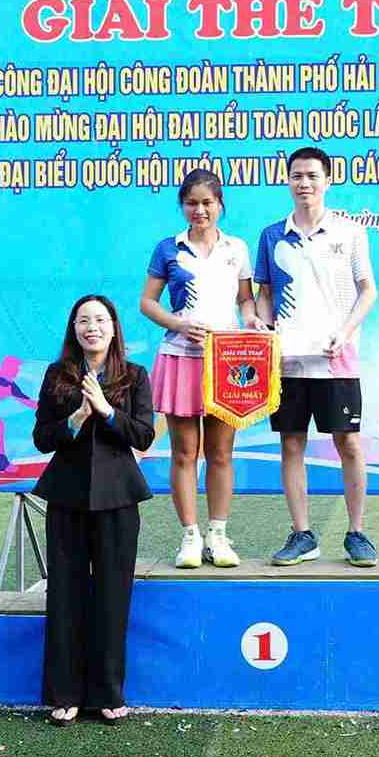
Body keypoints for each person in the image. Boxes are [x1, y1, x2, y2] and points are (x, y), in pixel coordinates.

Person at [31, 295, 155, 726]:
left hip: (118, 498)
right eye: (83, 320)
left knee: (112, 596)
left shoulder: (134, 376)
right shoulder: (57, 375)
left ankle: (107, 692)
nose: (92, 327)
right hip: (67, 496)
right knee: (65, 594)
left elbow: (143, 435)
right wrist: (76, 418)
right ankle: (64, 693)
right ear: (74, 329)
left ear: (114, 328)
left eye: (100, 320)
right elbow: (42, 439)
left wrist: (105, 411)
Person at [254, 146, 379, 566]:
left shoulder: (350, 232)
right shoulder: (272, 235)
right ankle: (302, 534)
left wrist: (345, 332)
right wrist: (265, 329)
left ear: (327, 180)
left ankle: (357, 532)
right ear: (287, 181)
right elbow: (264, 293)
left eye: (312, 176)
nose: (304, 183)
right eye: (297, 176)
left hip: (336, 359)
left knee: (348, 442)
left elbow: (368, 291)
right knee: (291, 443)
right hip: (287, 362)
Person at [139, 168, 259, 569]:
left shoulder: (236, 248)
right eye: (191, 203)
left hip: (228, 361)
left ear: (220, 204)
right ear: (182, 206)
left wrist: (252, 320)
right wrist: (178, 324)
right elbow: (148, 302)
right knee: (184, 453)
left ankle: (218, 535)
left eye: (207, 202)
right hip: (180, 358)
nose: (200, 210)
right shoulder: (167, 249)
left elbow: (246, 300)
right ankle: (190, 536)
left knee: (221, 453)